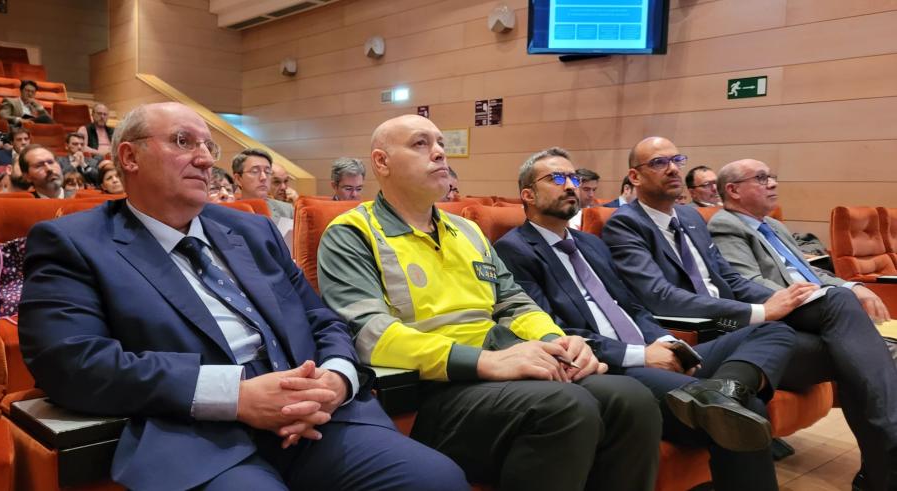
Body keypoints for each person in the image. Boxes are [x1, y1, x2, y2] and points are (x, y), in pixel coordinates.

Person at [19, 102, 466, 491]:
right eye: (182, 142)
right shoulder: (74, 242)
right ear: (129, 157)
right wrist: (235, 396)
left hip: (315, 413)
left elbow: (323, 320)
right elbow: (69, 361)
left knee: (436, 480)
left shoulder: (251, 230)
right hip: (197, 432)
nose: (204, 160)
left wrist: (336, 378)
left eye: (209, 148)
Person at [317, 114, 661, 491]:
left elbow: (513, 302)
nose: (438, 154)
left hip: (501, 364)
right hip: (435, 387)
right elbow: (369, 333)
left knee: (632, 400)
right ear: (381, 162)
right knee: (566, 406)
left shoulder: (466, 230)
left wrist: (555, 340)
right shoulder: (352, 232)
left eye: (441, 145)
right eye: (420, 144)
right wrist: (486, 362)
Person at [601, 136, 897, 491]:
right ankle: (885, 466)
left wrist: (786, 300)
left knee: (837, 302)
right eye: (659, 163)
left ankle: (884, 469)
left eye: (677, 159)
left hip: (749, 326)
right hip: (711, 333)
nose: (674, 168)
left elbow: (729, 278)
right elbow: (661, 297)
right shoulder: (624, 224)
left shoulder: (691, 218)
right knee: (856, 349)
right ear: (634, 177)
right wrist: (759, 311)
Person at [494, 147, 796, 491]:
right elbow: (553, 330)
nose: (570, 186)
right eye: (557, 178)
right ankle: (721, 401)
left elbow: (633, 306)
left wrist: (667, 342)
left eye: (574, 178)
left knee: (772, 330)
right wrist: (642, 355)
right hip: (613, 366)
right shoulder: (515, 249)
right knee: (749, 406)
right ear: (528, 195)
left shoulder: (591, 244)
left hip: (651, 347)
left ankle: (723, 390)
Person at [708, 158, 891, 324]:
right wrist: (820, 296)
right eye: (761, 178)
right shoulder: (725, 225)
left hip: (819, 300)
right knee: (849, 308)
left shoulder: (773, 224)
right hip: (788, 308)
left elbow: (809, 271)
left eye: (771, 177)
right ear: (733, 190)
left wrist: (852, 286)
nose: (773, 184)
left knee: (857, 300)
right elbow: (750, 283)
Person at [232, 148, 293, 219]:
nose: (263, 177)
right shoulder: (228, 211)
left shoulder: (287, 210)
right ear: (238, 179)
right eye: (255, 171)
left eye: (267, 172)